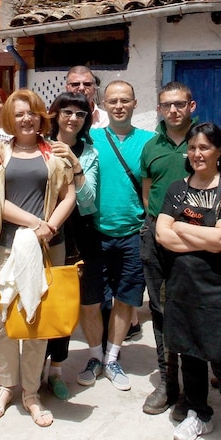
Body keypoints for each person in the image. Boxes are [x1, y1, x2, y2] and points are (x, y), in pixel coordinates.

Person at [0, 89, 76, 427]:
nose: (26, 118)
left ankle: (31, 392)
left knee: (37, 317)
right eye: (19, 113)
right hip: (5, 245)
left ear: (40, 116)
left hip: (47, 245)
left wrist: (50, 227)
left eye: (32, 112)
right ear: (10, 118)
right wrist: (35, 222)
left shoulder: (54, 154)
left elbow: (69, 195)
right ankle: (5, 385)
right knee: (3, 319)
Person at [155, 122, 221, 440]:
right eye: (193, 148)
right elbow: (161, 236)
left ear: (219, 151)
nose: (197, 154)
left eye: (204, 148)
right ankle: (199, 414)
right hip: (183, 285)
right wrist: (203, 239)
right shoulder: (177, 188)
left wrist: (180, 225)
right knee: (190, 353)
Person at [78, 81, 155, 392]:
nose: (119, 105)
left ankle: (112, 357)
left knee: (125, 299)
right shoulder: (90, 139)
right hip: (94, 233)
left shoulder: (149, 142)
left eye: (125, 100)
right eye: (113, 101)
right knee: (91, 301)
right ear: (104, 105)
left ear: (135, 103)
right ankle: (94, 356)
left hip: (133, 234)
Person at [139, 81, 198, 416]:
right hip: (157, 237)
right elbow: (148, 193)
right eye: (166, 105)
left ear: (191, 105)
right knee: (161, 310)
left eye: (179, 104)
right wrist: (157, 225)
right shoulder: (151, 146)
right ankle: (168, 382)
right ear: (159, 109)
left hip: (196, 240)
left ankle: (192, 387)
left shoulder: (205, 141)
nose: (173, 110)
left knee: (191, 310)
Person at [43, 91, 102, 400]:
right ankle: (31, 370)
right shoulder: (38, 143)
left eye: (80, 115)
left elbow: (89, 201)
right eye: (67, 112)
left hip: (77, 236)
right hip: (40, 232)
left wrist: (75, 163)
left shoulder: (90, 153)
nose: (73, 119)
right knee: (38, 301)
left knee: (64, 303)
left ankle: (56, 371)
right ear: (56, 114)